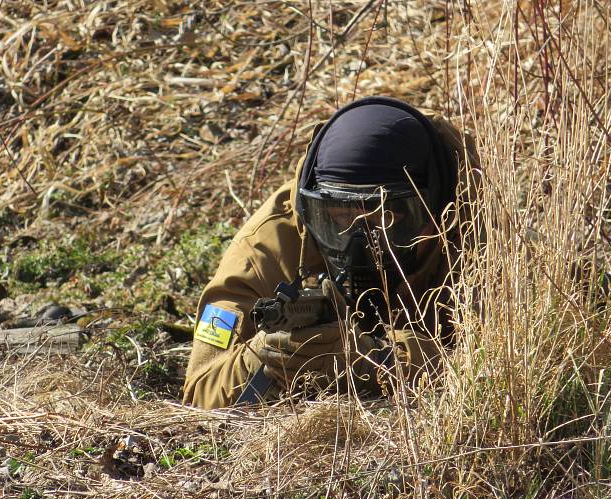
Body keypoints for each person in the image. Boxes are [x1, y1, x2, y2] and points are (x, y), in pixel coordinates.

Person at [183, 96, 480, 410]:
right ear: (313, 210)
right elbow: (200, 391)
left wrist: (379, 359)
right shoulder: (263, 250)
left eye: (384, 219)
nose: (359, 243)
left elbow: (496, 373)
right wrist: (259, 359)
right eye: (339, 218)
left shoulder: (480, 235)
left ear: (432, 208)